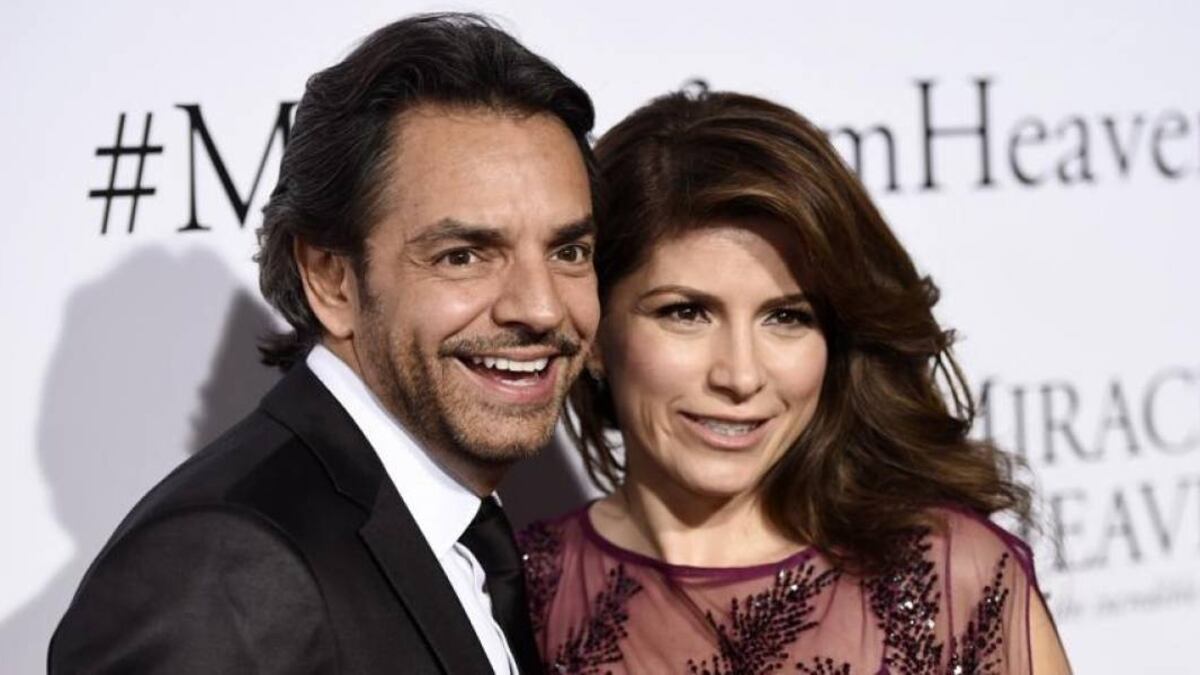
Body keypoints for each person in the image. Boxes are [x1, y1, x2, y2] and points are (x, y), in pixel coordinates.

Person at [49, 13, 598, 674]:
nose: (540, 307)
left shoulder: (470, 537)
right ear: (331, 279)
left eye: (569, 251)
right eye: (463, 256)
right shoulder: (224, 569)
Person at [519, 89, 1073, 674]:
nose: (740, 376)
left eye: (787, 317)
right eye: (686, 312)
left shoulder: (952, 577)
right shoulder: (519, 597)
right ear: (594, 331)